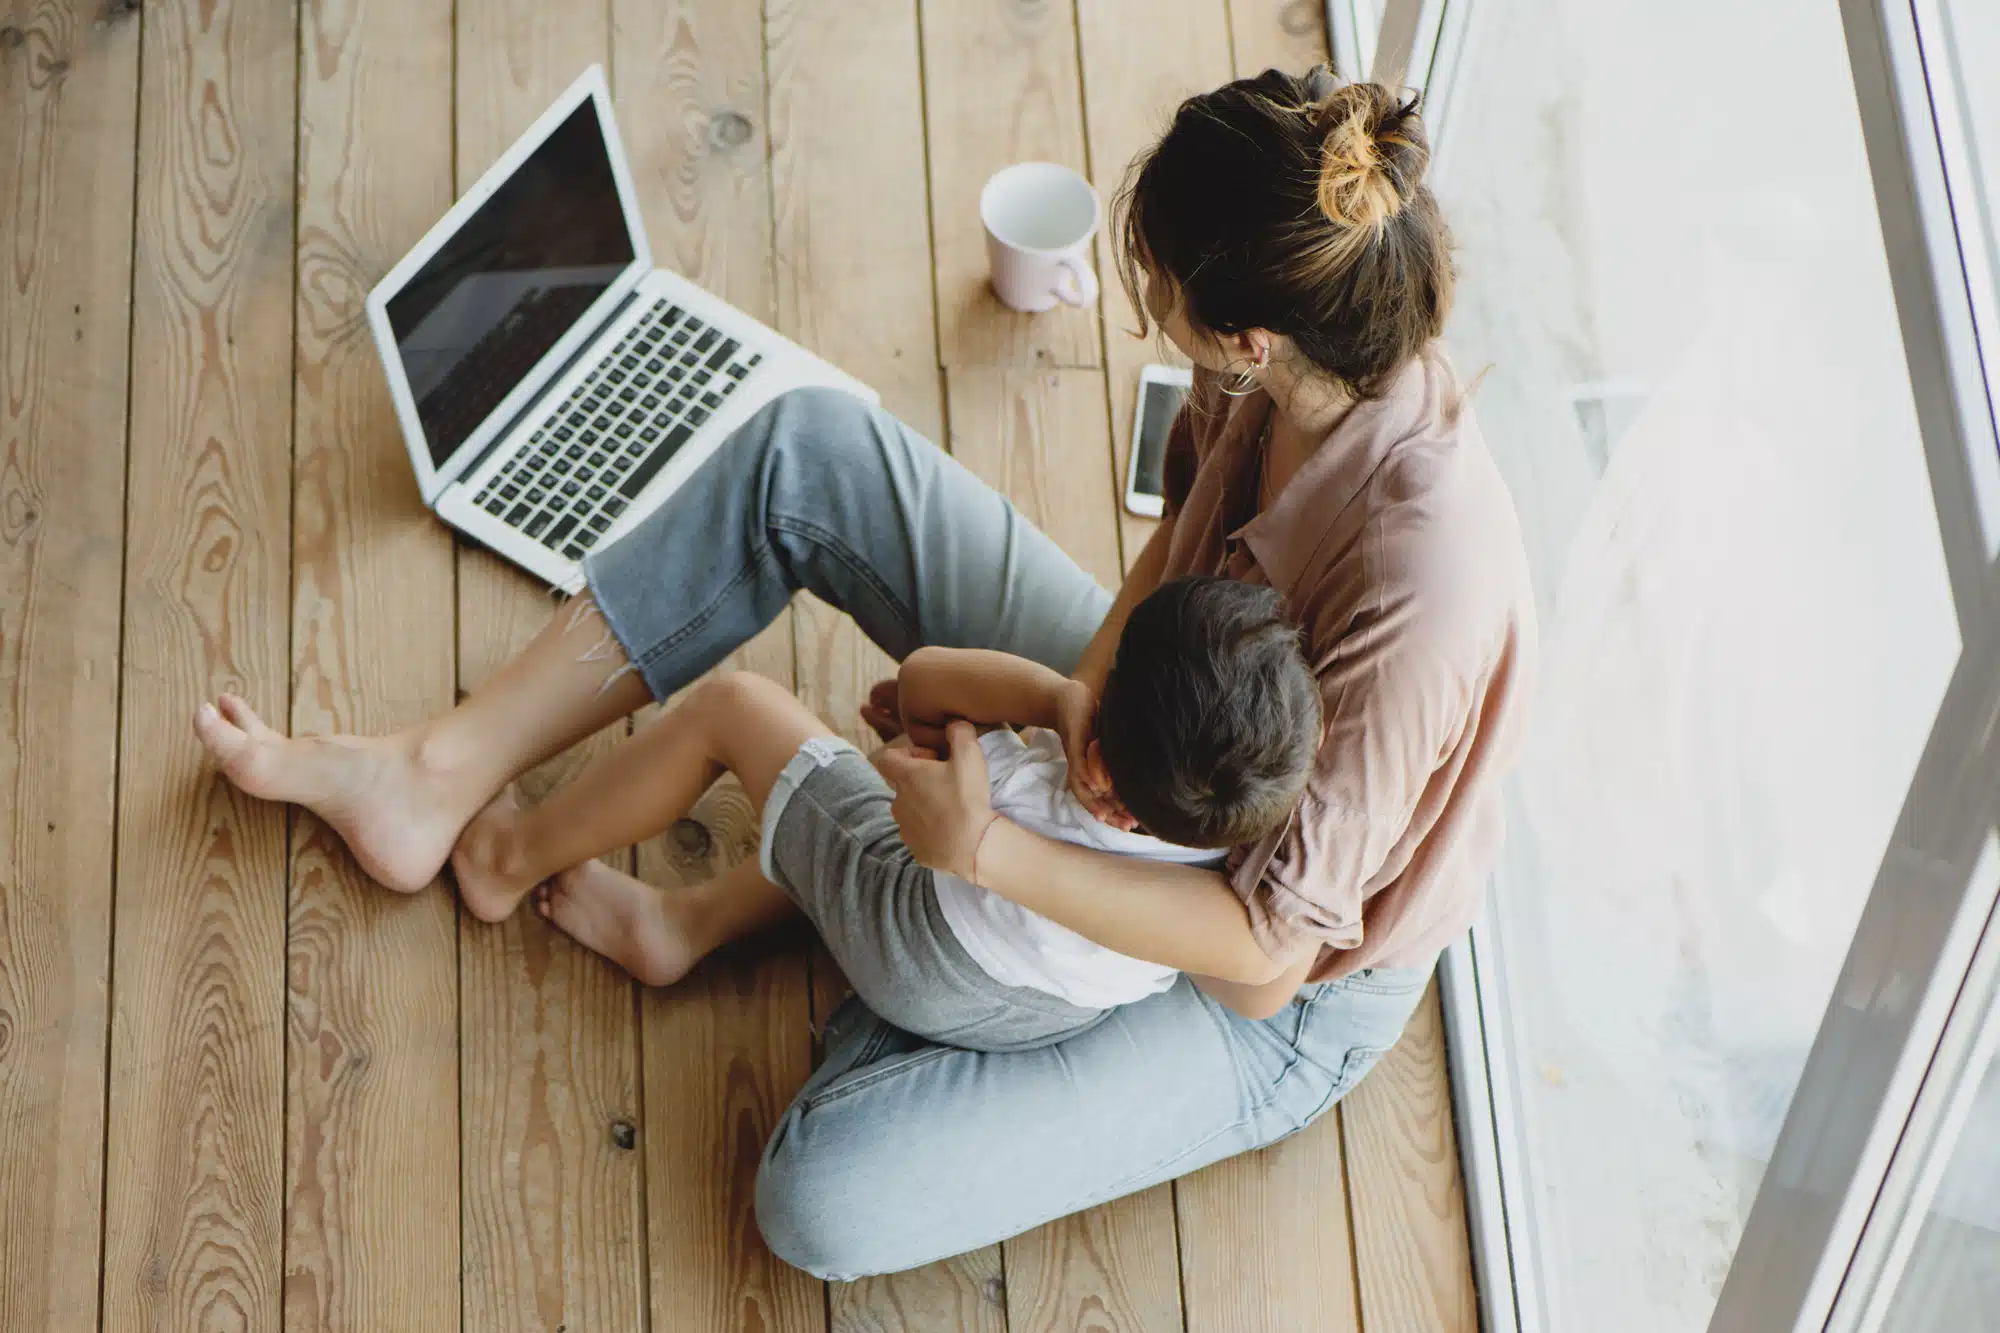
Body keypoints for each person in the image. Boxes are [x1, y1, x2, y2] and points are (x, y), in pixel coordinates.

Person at [191, 66, 1533, 1278]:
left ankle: (845, 926)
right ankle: (440, 778)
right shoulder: (1273, 382)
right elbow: (1151, 591)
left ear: (1246, 333)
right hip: (1155, 743)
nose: (1151, 306)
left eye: (1164, 285)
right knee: (812, 453)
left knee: (822, 1199)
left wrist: (987, 849)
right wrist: (1050, 708)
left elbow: (1260, 962)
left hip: (1268, 969)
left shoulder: (1424, 588)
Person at [421, 575, 1319, 1048]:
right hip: (1026, 1009)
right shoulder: (1218, 844)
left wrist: (1050, 697)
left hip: (912, 934)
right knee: (824, 804)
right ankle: (683, 924)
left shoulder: (1024, 787)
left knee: (739, 715)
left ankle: (505, 856)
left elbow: (918, 694)